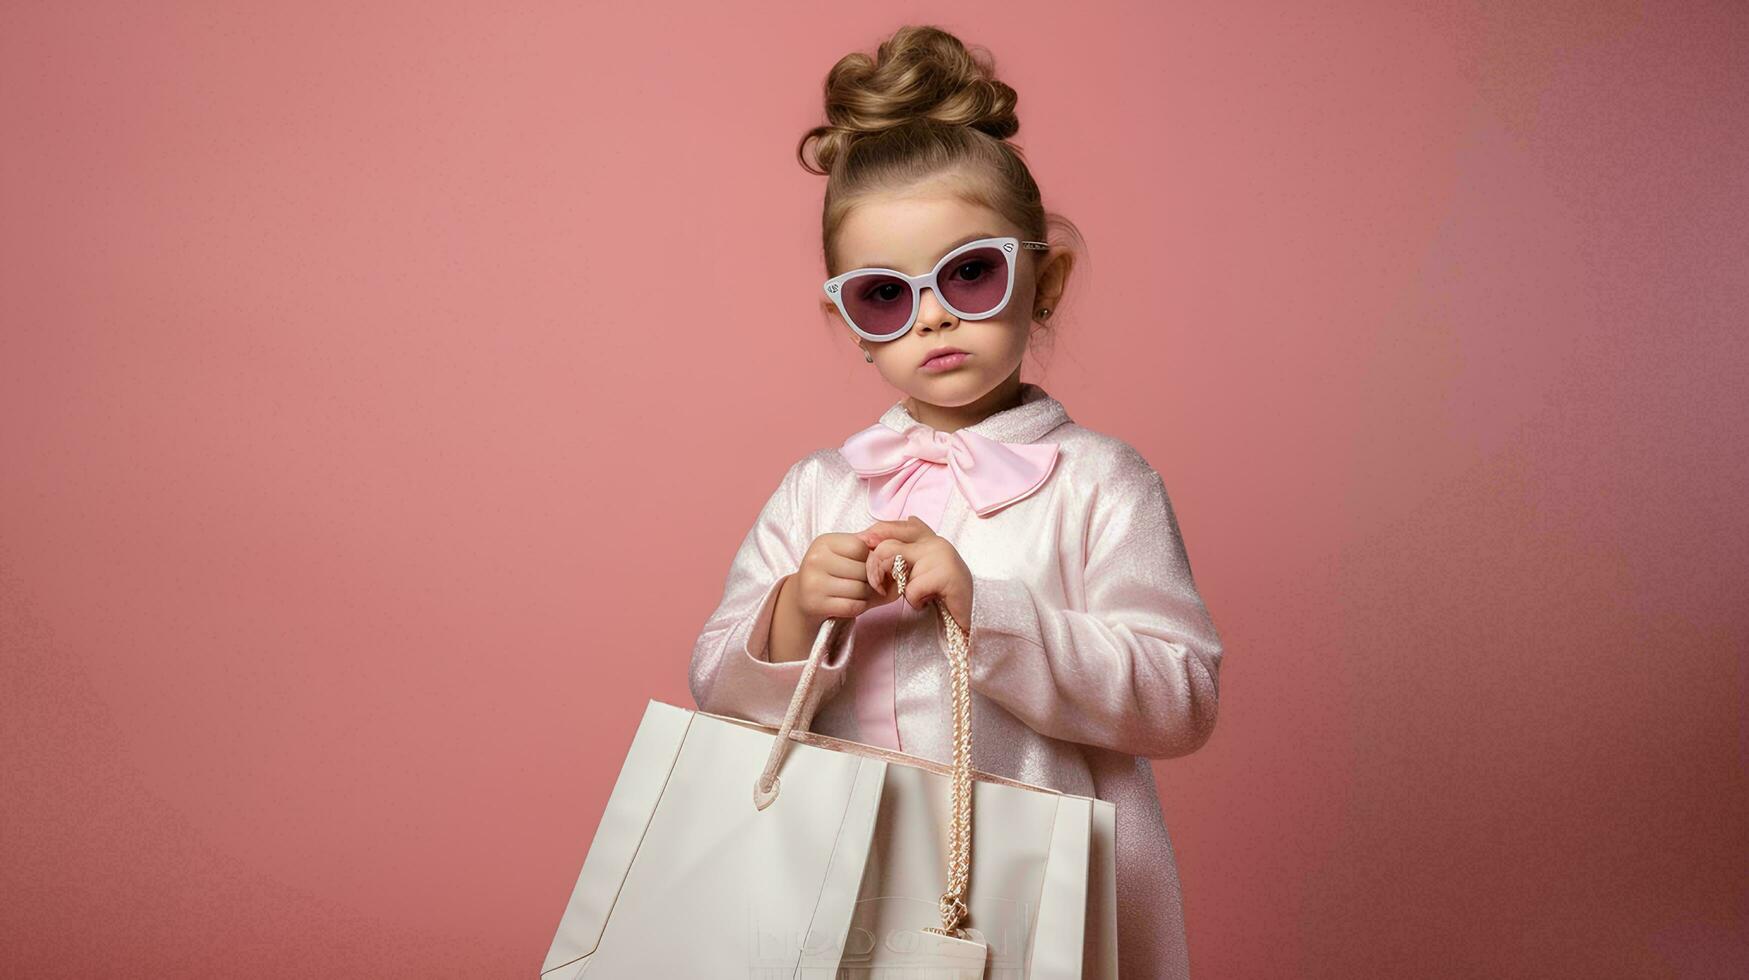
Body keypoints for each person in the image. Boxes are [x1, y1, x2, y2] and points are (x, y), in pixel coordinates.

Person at [688, 24, 1225, 979]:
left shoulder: (1102, 484)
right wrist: (793, 611)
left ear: (1042, 280)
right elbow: (716, 686)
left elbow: (1180, 699)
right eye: (886, 296)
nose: (933, 315)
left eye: (970, 273)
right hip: (842, 893)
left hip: (1047, 904)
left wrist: (995, 612)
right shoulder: (820, 489)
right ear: (849, 324)